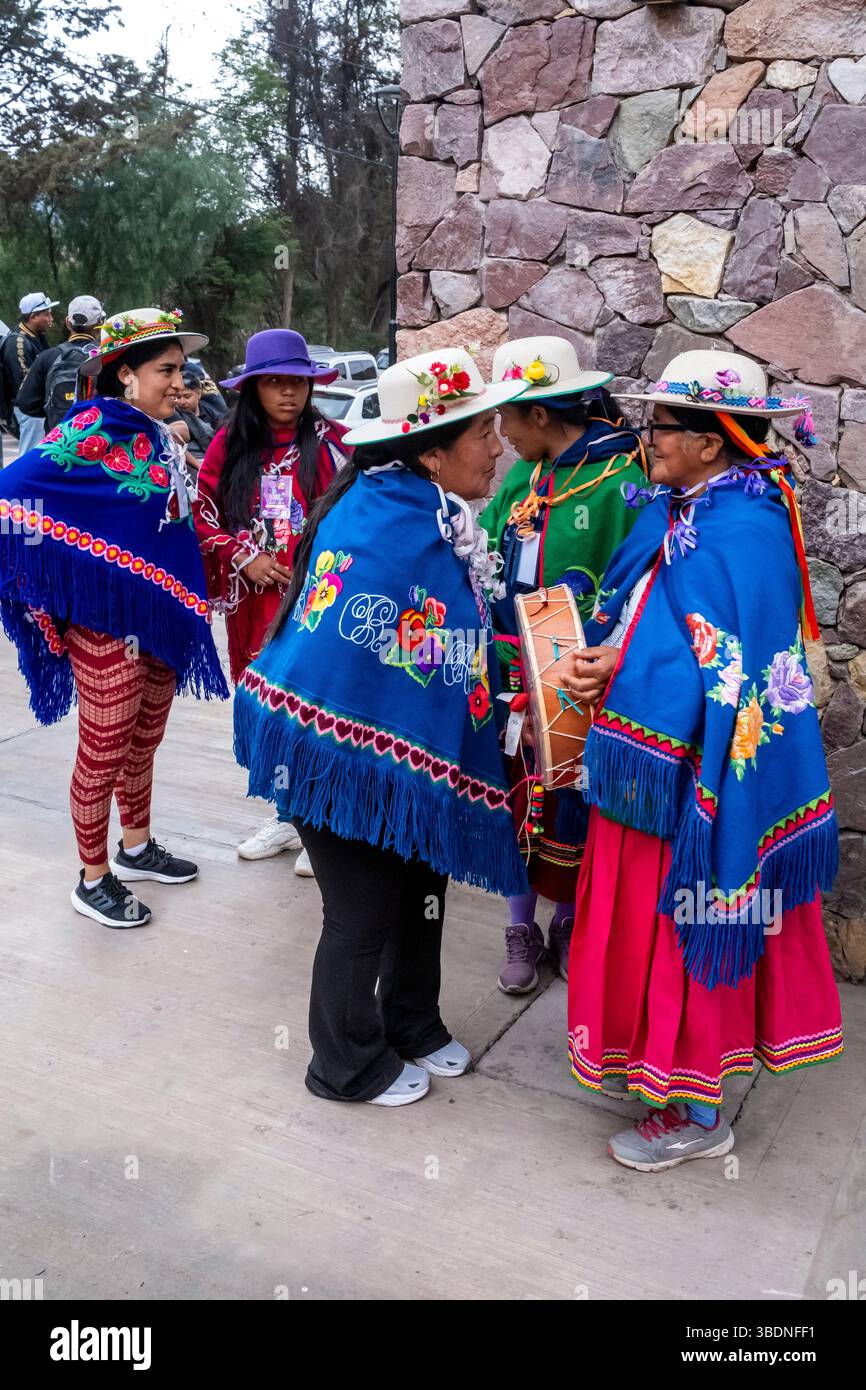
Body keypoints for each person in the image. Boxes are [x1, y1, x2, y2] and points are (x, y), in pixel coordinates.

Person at [561, 350, 842, 1172]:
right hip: (657, 766)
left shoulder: (743, 530)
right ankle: (658, 1064)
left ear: (713, 443)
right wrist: (605, 654)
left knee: (697, 922)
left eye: (664, 427)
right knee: (651, 923)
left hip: (700, 777)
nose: (648, 439)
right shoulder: (684, 512)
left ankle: (698, 1105)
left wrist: (622, 668)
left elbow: (728, 665)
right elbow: (651, 615)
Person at [234, 348, 530, 1106]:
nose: (497, 448)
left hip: (390, 750)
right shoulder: (389, 528)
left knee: (418, 884)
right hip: (337, 750)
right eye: (482, 435)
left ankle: (412, 1023)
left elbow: (436, 643)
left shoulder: (425, 513)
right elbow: (385, 647)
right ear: (431, 453)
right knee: (360, 911)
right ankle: (344, 1064)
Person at [0, 307, 229, 929]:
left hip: (153, 613)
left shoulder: (152, 431)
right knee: (104, 747)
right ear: (125, 374)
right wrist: (56, 579)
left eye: (182, 369)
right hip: (106, 624)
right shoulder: (93, 429)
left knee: (143, 739)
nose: (180, 382)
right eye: (166, 370)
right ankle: (92, 877)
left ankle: (136, 846)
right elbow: (14, 488)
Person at [480, 337, 648, 994]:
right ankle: (520, 924)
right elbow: (490, 550)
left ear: (541, 416)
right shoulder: (528, 477)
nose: (501, 436)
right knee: (517, 793)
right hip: (511, 664)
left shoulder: (619, 482)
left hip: (578, 672)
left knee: (575, 798)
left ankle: (571, 921)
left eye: (508, 420)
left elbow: (633, 581)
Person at [193, 329, 349, 875]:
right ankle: (286, 815)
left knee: (314, 703)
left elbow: (357, 514)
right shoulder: (228, 445)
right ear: (253, 388)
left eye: (298, 383)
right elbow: (202, 512)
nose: (289, 394)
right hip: (254, 605)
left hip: (317, 601)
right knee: (268, 706)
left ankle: (319, 821)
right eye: (276, 383)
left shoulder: (335, 444)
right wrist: (242, 556)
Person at [15, 296, 105, 434]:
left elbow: (26, 403)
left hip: (59, 442)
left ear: (68, 322)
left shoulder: (47, 357)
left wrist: (53, 411)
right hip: (99, 441)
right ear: (100, 323)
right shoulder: (108, 357)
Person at [1, 292, 59, 453]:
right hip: (29, 409)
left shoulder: (37, 336)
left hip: (38, 407)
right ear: (33, 316)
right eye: (46, 314)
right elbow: (24, 383)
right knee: (30, 454)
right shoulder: (18, 342)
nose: (51, 318)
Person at [167, 371, 216, 463]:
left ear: (199, 394)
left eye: (187, 396)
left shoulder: (211, 413)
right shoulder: (172, 415)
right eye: (178, 397)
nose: (182, 402)